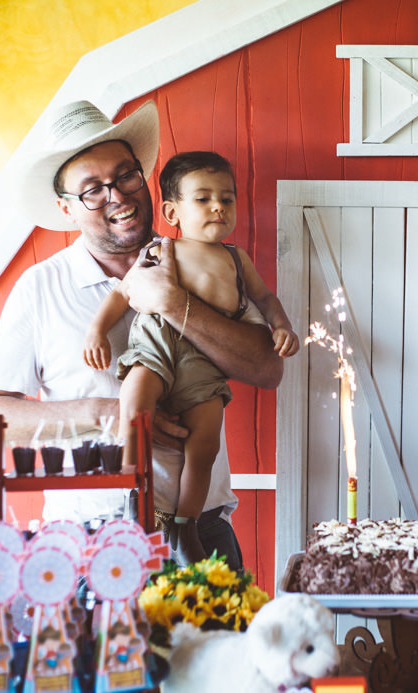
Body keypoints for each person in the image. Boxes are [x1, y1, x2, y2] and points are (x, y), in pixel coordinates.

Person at [0, 100, 283, 570]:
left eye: (126, 176)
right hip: (94, 537)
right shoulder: (41, 288)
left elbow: (267, 368)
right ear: (66, 208)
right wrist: (108, 414)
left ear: (146, 178)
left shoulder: (207, 262)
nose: (116, 195)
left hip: (203, 529)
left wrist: (175, 304)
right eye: (93, 190)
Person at [83, 150, 298, 564]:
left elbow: (265, 298)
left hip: (203, 360)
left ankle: (185, 525)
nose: (219, 205)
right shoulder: (161, 249)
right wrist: (96, 330)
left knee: (204, 445)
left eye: (227, 198)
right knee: (135, 403)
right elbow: (124, 292)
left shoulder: (238, 260)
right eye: (203, 198)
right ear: (172, 210)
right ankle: (137, 499)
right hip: (156, 345)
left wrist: (282, 326)